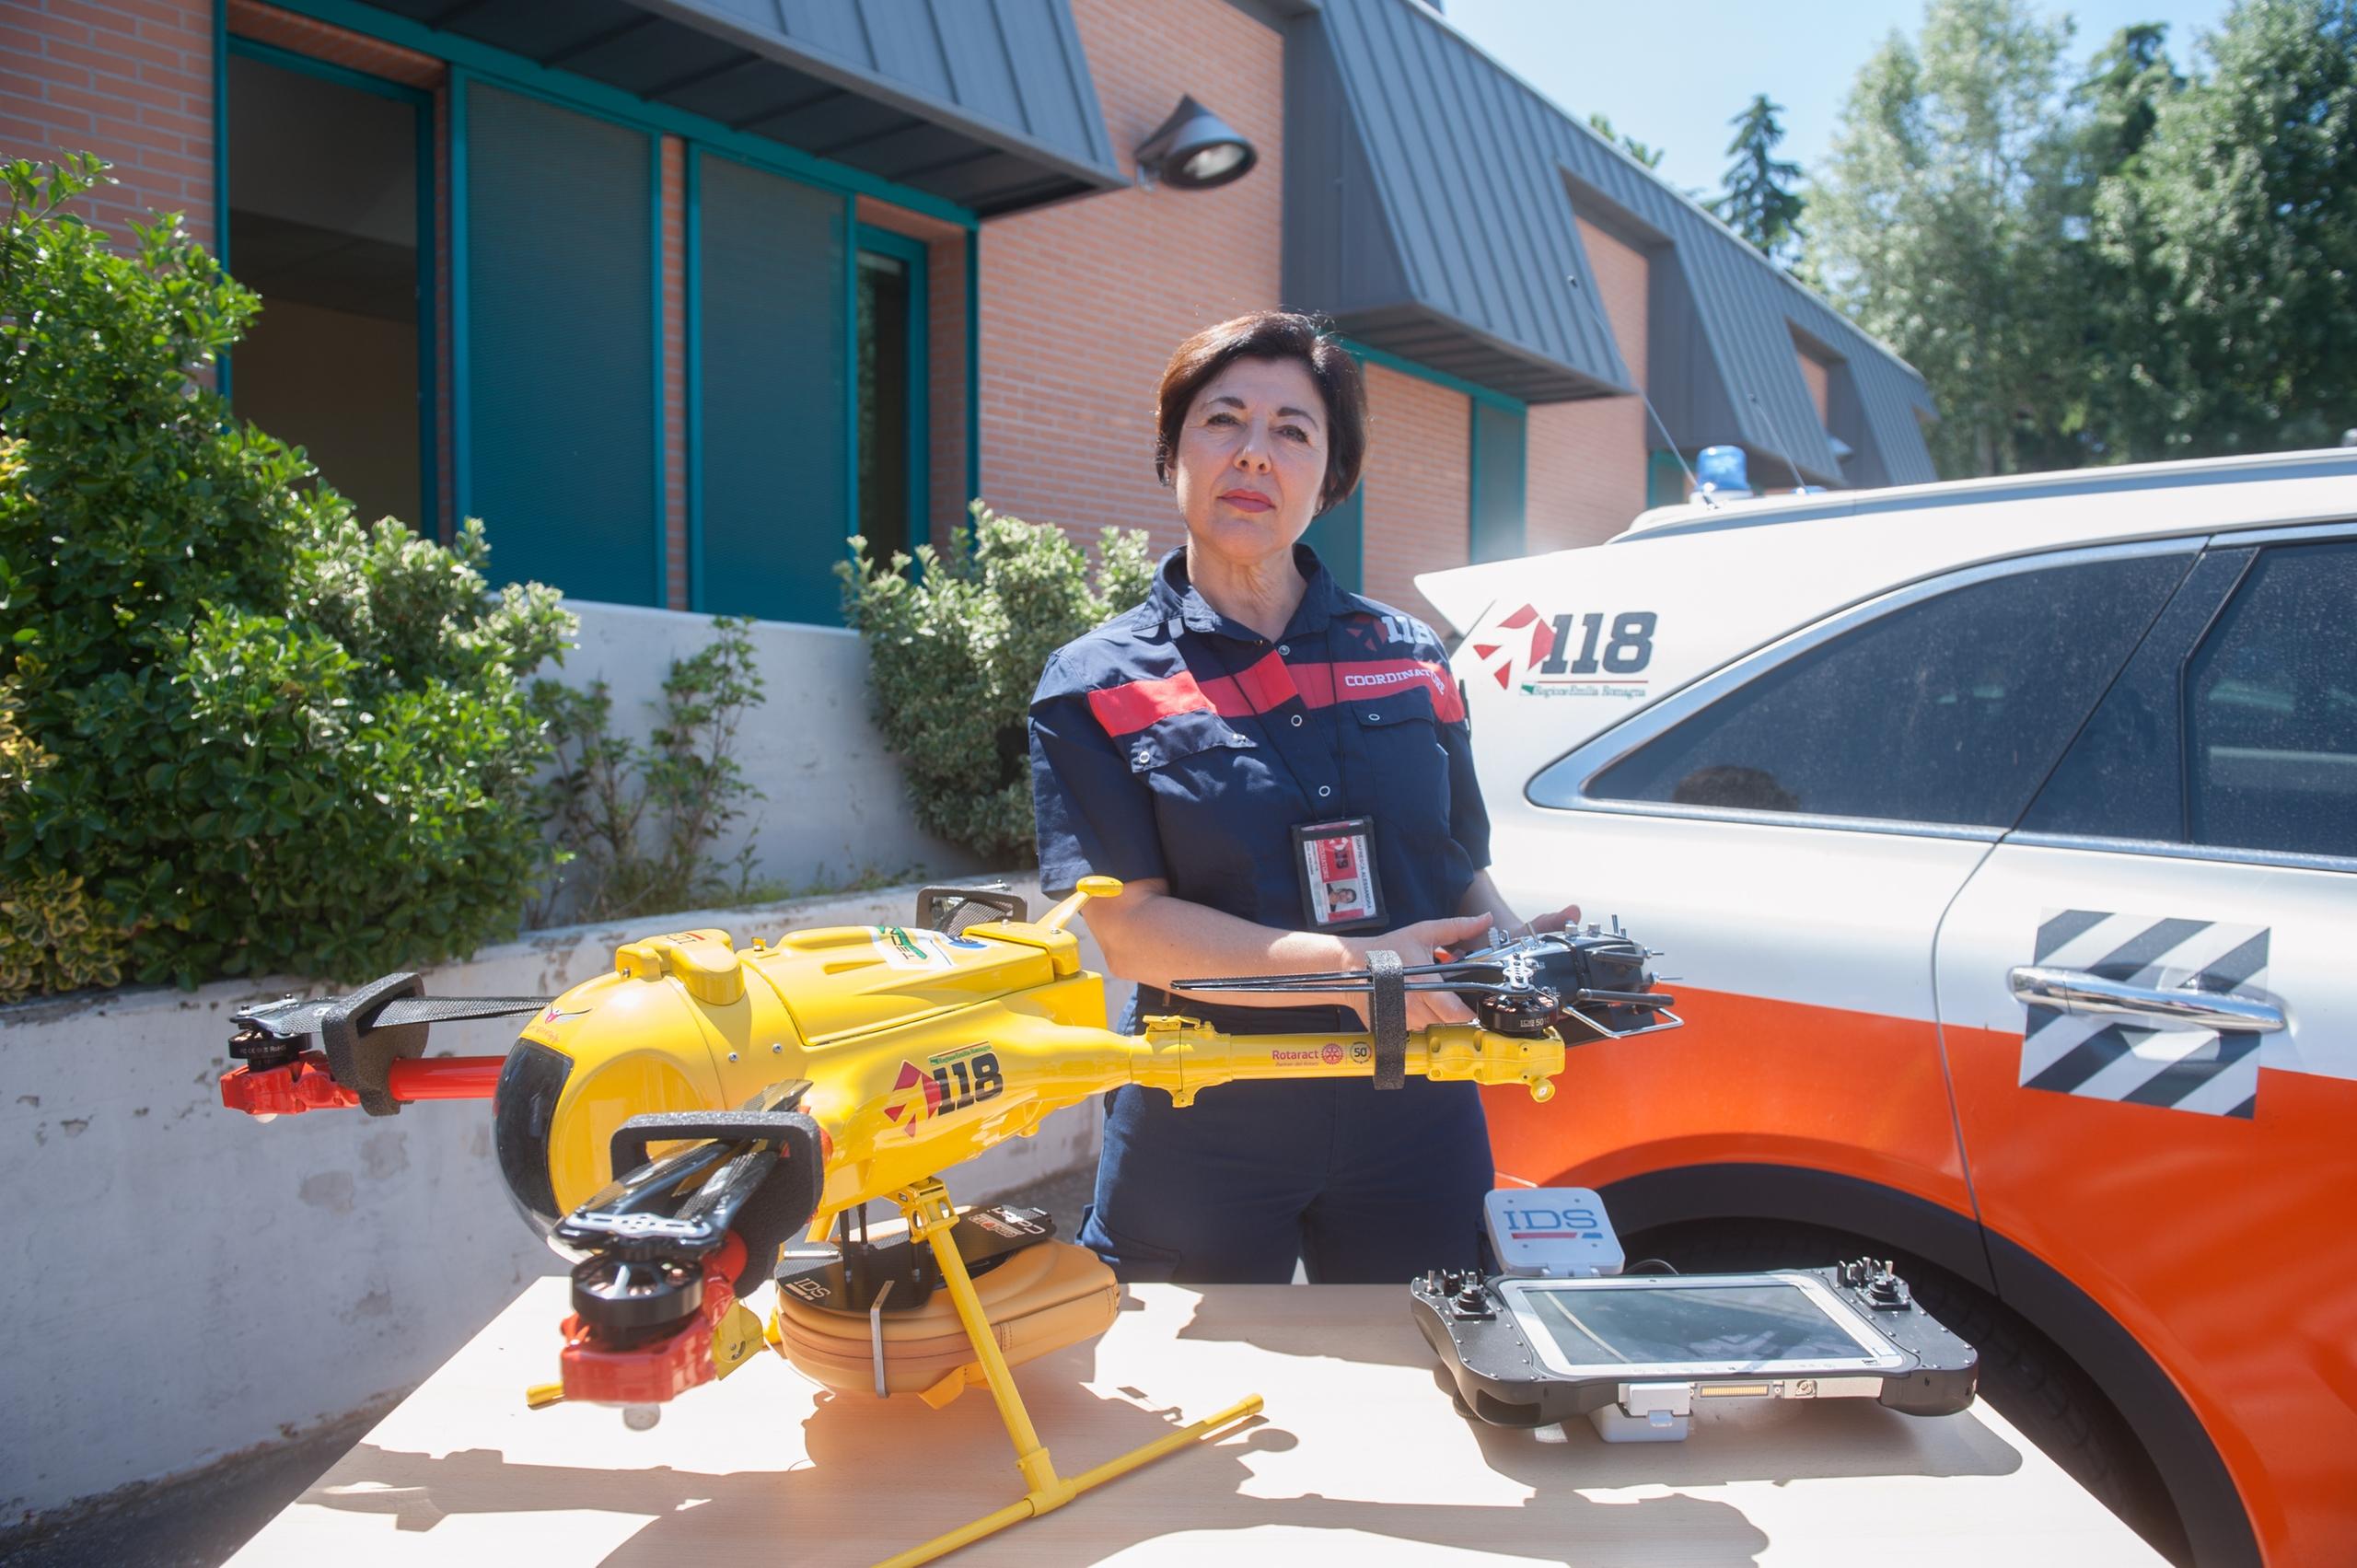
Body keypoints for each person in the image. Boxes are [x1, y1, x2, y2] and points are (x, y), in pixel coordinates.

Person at [1027, 311, 1579, 1285]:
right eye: (1222, 419)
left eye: (1292, 430)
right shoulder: (1093, 681)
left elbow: (1456, 866)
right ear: (1171, 453)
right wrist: (1358, 966)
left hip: (1417, 1104)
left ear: (1331, 477)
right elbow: (1131, 930)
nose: (1253, 453)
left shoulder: (1409, 657)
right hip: (1205, 1109)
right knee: (1188, 1401)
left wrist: (1511, 948)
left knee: (1426, 1375)